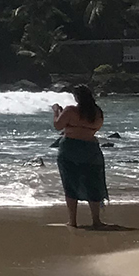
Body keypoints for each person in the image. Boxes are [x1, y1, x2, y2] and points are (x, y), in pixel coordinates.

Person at [51, 85, 108, 228]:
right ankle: (96, 220)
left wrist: (56, 111)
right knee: (93, 183)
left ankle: (73, 221)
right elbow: (96, 127)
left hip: (70, 147)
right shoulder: (97, 112)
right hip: (91, 148)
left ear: (77, 97)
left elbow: (58, 125)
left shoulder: (71, 110)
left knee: (70, 183)